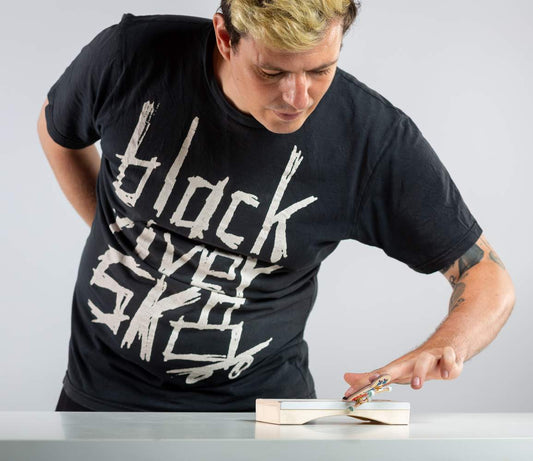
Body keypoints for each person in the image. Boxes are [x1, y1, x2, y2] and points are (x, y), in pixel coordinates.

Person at [37, 0, 515, 412]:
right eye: (272, 72)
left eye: (320, 70)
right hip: (99, 400)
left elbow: (488, 278)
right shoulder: (131, 58)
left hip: (261, 416)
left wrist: (445, 345)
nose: (297, 98)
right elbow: (57, 131)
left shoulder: (370, 140)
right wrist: (118, 230)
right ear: (225, 37)